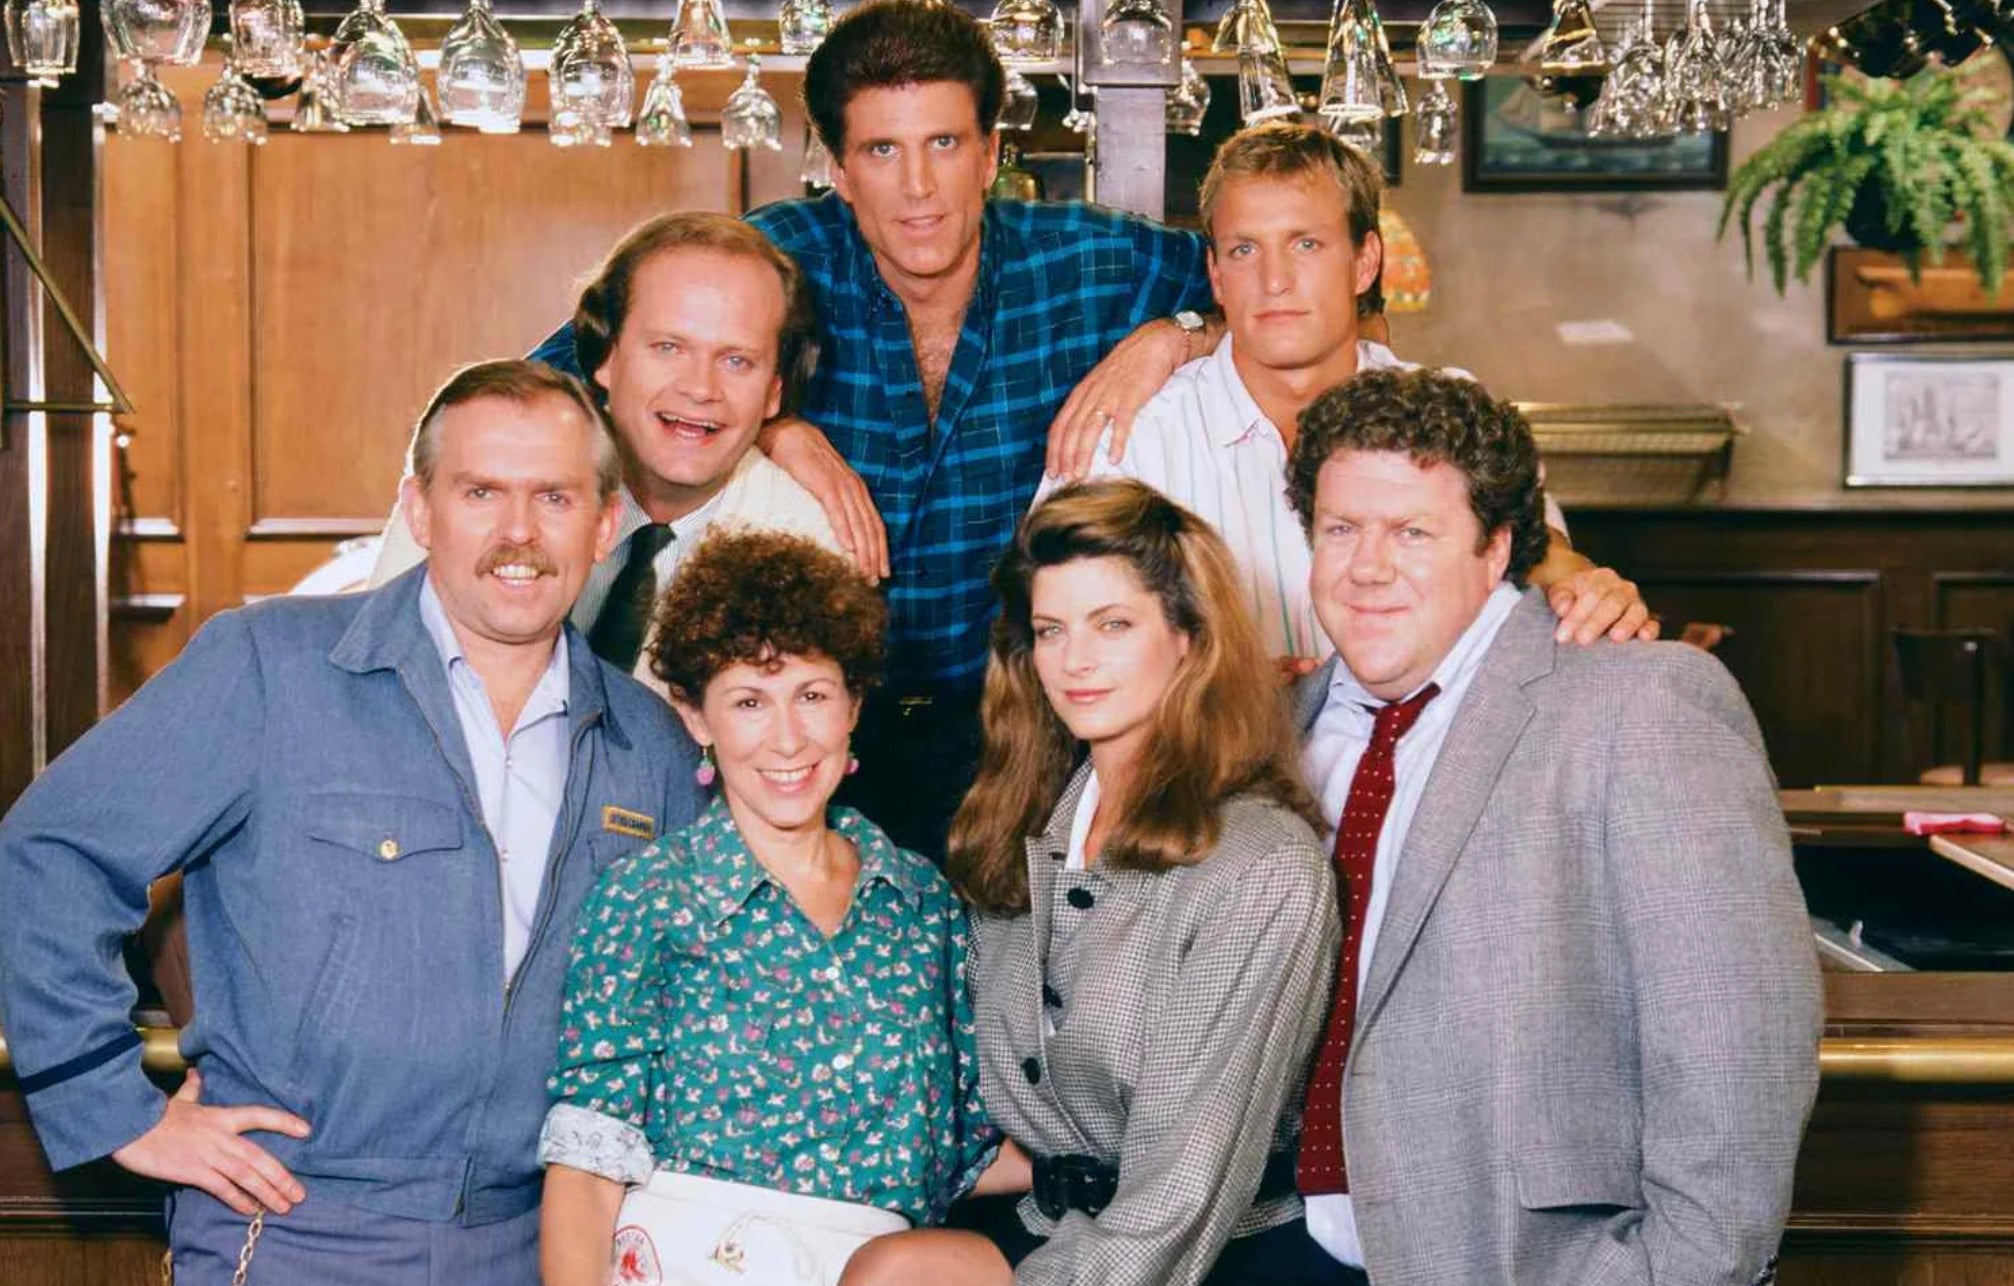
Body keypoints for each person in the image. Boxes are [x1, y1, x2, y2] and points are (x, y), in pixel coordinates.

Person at [0, 360, 704, 1284]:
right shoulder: (269, 666)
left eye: (556, 497)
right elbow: (48, 852)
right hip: (292, 1226)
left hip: (538, 1245)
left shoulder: (647, 742)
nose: (518, 533)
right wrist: (115, 1108)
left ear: (607, 522)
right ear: (419, 509)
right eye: (481, 492)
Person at [532, 0, 1222, 859]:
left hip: (1025, 744)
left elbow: (1309, 309)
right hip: (803, 750)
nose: (918, 187)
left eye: (944, 144)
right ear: (839, 167)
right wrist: (764, 421)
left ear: (990, 154)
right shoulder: (773, 259)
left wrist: (1176, 338)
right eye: (882, 151)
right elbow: (554, 381)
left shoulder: (1091, 261)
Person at [1285, 367, 1822, 1284]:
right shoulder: (1282, 724)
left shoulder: (1641, 701)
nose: (1367, 567)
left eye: (1413, 532)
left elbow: (1737, 1051)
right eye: (1341, 529)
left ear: (1496, 547)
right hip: (1288, 1247)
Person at [843, 479, 1342, 1286]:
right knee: (885, 1266)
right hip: (1056, 1220)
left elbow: (1180, 1194)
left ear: (1188, 636)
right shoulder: (1025, 832)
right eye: (1050, 630)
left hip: (1208, 1254)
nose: (1075, 661)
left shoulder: (1263, 866)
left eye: (1113, 625)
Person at [539, 528, 1016, 1286]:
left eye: (813, 695)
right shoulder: (648, 897)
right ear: (696, 719)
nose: (788, 738)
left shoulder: (923, 902)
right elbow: (587, 1165)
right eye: (750, 701)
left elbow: (967, 1148)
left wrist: (1156, 1140)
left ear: (854, 704)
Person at [1047, 121, 1654, 666]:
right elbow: (1061, 640)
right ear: (1216, 276)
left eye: (1306, 244)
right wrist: (1223, 704)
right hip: (1200, 782)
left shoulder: (1450, 410)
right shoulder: (1125, 439)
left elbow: (1535, 552)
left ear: (1365, 263)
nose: (1275, 280)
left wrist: (1583, 583)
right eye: (1244, 249)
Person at [375, 212, 843, 697]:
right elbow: (378, 671)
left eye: (736, 361)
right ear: (606, 357)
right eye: (668, 347)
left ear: (774, 392)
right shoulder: (478, 465)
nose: (701, 388)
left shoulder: (807, 543)